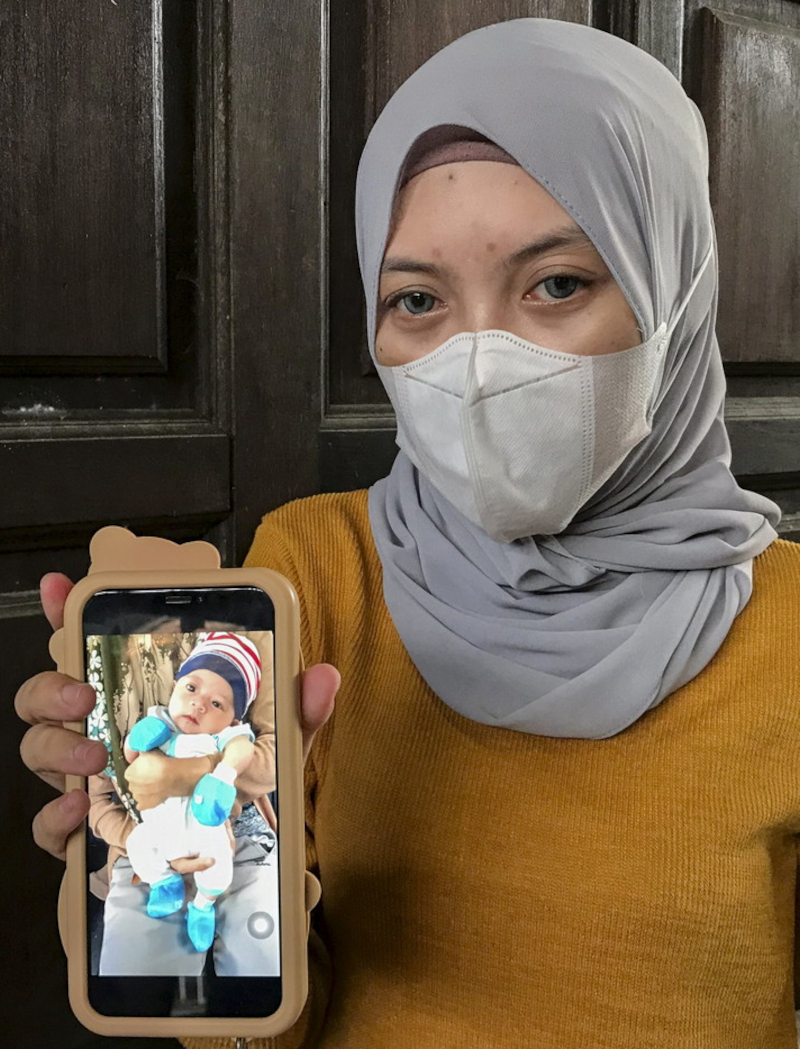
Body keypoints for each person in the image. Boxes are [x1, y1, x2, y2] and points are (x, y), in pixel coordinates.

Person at [16, 17, 800, 1049]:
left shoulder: (788, 631)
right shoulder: (314, 574)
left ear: (676, 295)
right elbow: (260, 1028)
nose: (478, 363)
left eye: (557, 283)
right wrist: (178, 900)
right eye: (418, 298)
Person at [122, 631, 261, 953]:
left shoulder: (222, 737)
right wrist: (137, 738)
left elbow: (243, 751)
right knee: (138, 844)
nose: (199, 704)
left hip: (204, 829)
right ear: (175, 686)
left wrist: (224, 774)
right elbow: (130, 758)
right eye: (191, 688)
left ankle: (202, 906)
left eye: (216, 703)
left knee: (218, 866)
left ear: (233, 719)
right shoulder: (160, 722)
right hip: (160, 827)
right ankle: (164, 884)